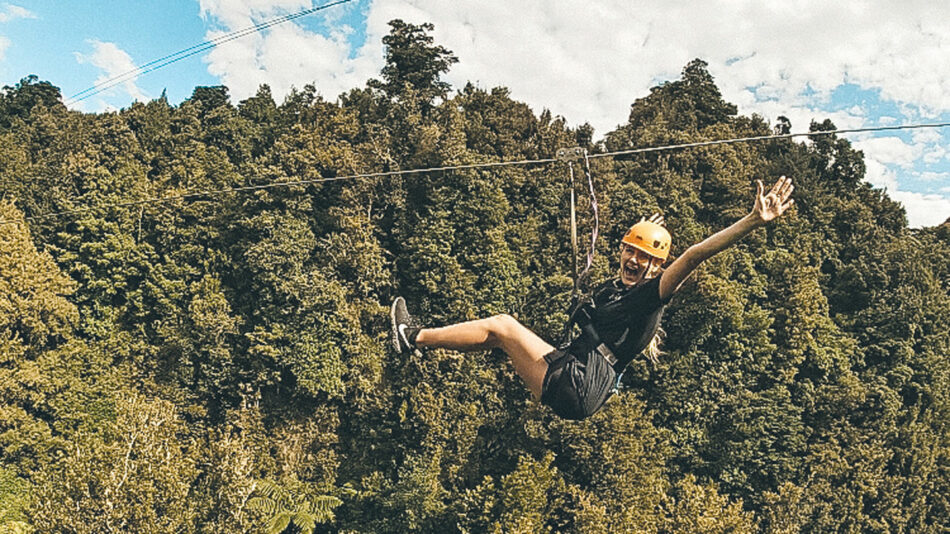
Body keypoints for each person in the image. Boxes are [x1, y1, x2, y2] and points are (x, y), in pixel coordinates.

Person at [391, 176, 795, 420]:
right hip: (575, 372)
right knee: (499, 334)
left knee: (503, 325)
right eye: (630, 251)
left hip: (580, 384)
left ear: (658, 267)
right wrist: (647, 230)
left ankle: (413, 337)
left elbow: (694, 254)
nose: (634, 261)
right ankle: (418, 341)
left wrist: (751, 221)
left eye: (646, 258)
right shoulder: (618, 290)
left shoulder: (650, 299)